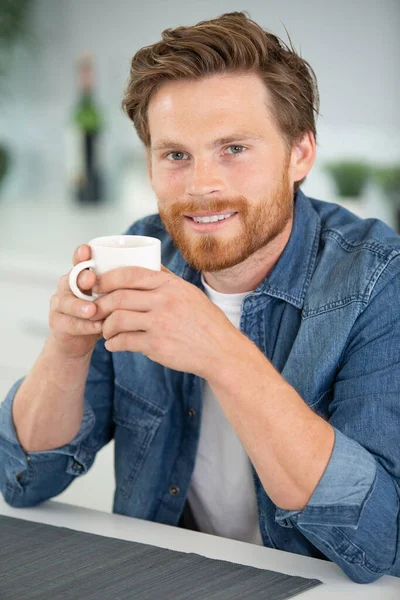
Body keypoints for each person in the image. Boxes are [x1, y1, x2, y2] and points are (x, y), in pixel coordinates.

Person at [1, 11, 399, 584]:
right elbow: (24, 478)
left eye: (233, 148)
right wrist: (66, 348)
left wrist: (220, 351)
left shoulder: (377, 280)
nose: (200, 185)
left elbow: (379, 538)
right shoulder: (140, 257)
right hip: (163, 579)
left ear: (301, 154)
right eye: (176, 155)